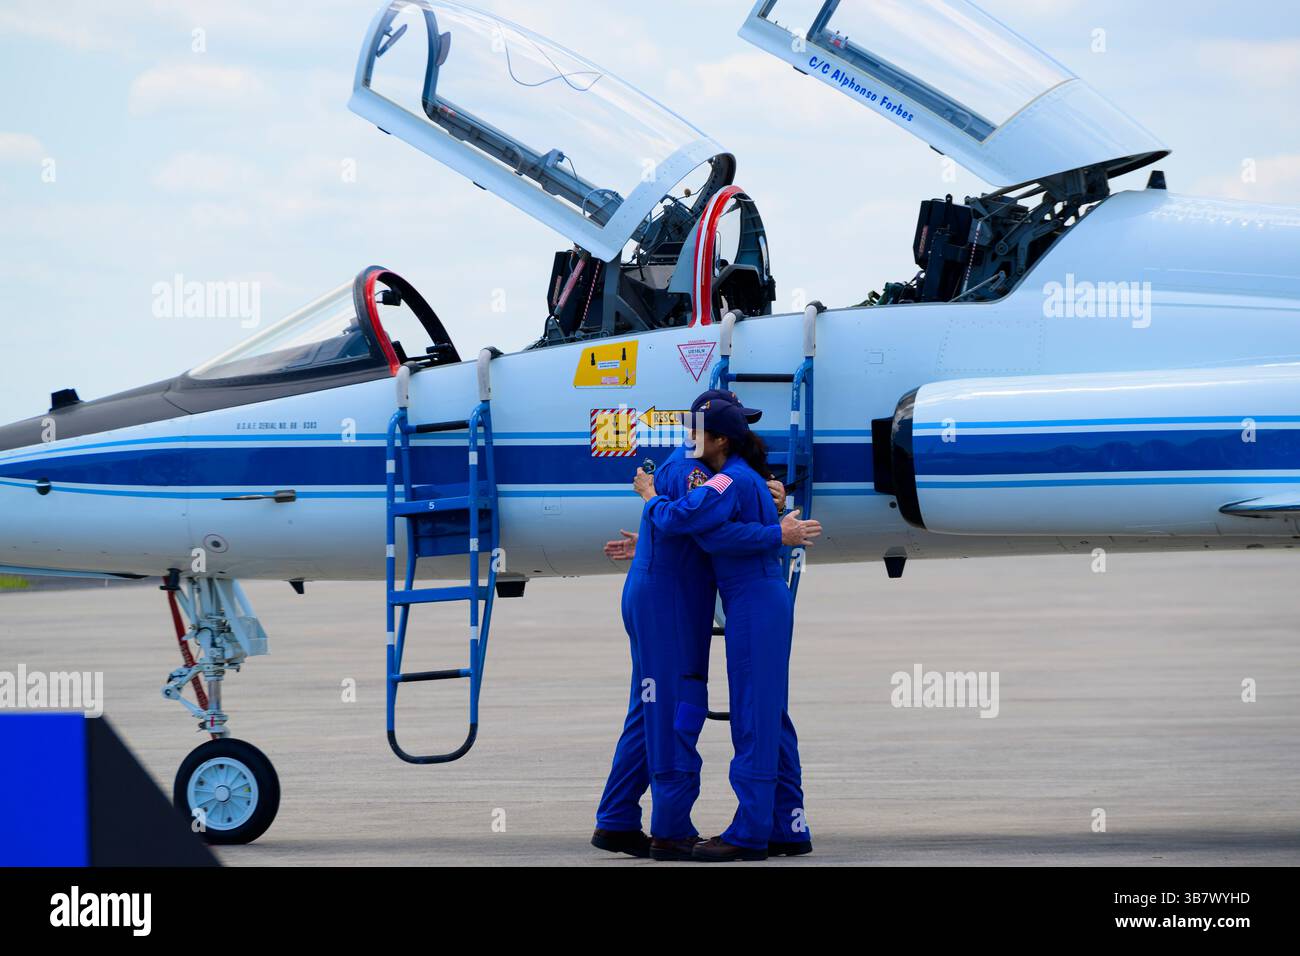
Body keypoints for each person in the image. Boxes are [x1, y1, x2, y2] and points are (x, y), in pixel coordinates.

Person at [593, 391, 813, 861]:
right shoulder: (706, 472)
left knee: (660, 704)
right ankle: (673, 829)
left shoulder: (725, 476)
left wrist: (653, 526)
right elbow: (694, 522)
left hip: (677, 595)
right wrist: (777, 528)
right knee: (680, 705)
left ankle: (618, 820)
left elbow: (692, 524)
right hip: (673, 601)